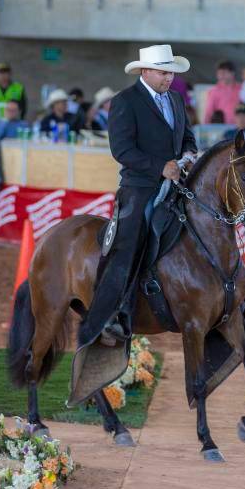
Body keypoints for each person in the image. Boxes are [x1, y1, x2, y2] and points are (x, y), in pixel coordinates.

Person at [77, 44, 197, 346]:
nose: (168, 78)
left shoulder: (176, 100)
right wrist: (161, 167)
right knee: (129, 244)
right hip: (139, 188)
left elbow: (187, 136)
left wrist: (190, 153)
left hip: (177, 182)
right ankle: (115, 313)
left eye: (170, 73)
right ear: (145, 71)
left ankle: (230, 303)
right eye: (162, 72)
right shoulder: (124, 102)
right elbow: (122, 150)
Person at [203, 60, 241, 124]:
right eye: (219, 73)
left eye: (224, 73)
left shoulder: (242, 89)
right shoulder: (214, 91)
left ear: (232, 73)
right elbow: (209, 112)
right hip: (221, 128)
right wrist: (205, 128)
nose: (221, 76)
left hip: (240, 128)